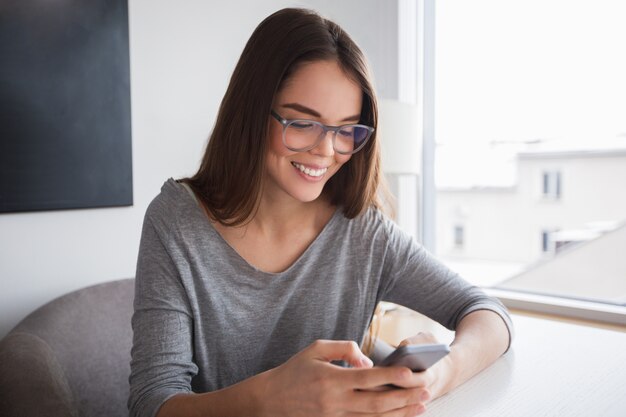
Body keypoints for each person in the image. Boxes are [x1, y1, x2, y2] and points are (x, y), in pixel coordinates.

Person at [128, 7, 513, 417]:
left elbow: (487, 313)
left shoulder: (362, 230)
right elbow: (151, 403)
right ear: (252, 113)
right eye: (302, 122)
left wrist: (441, 374)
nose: (327, 151)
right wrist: (270, 397)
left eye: (347, 130)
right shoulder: (176, 223)